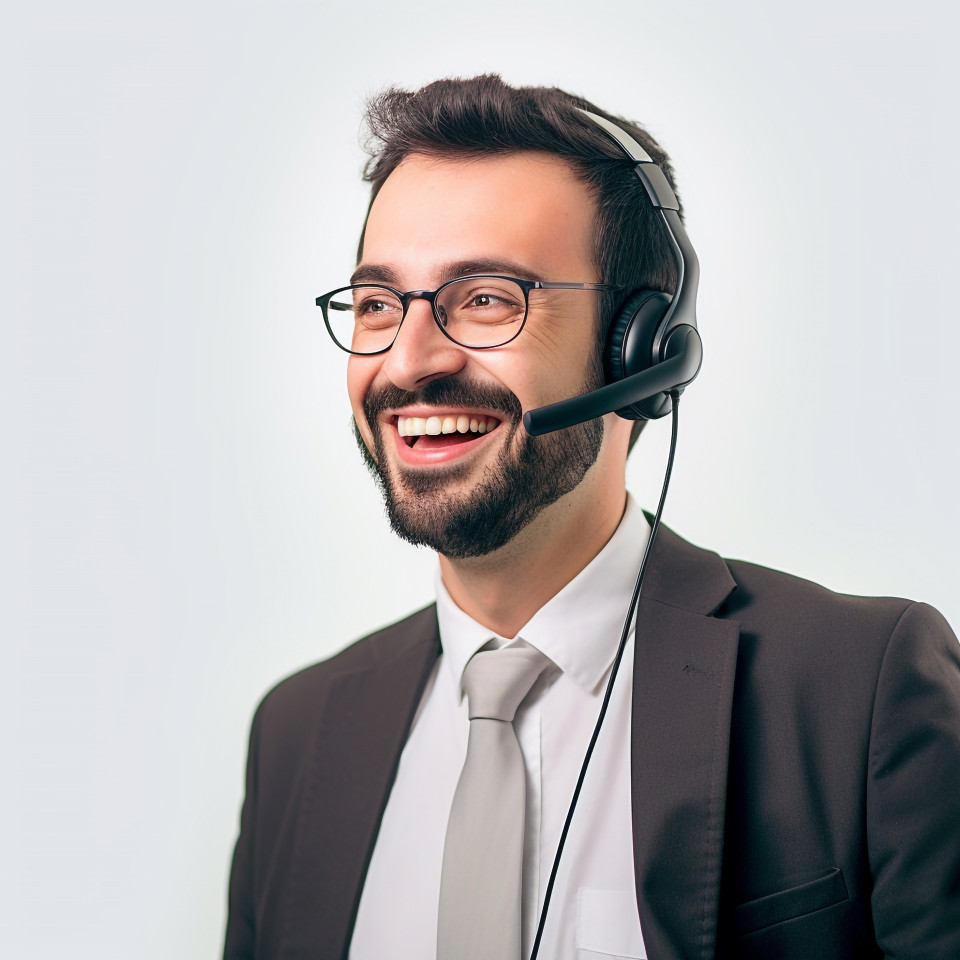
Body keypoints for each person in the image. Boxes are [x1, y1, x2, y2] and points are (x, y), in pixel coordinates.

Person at [222, 76, 960, 960]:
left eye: (486, 298)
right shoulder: (296, 736)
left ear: (639, 350)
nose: (408, 362)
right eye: (379, 304)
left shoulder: (861, 689)